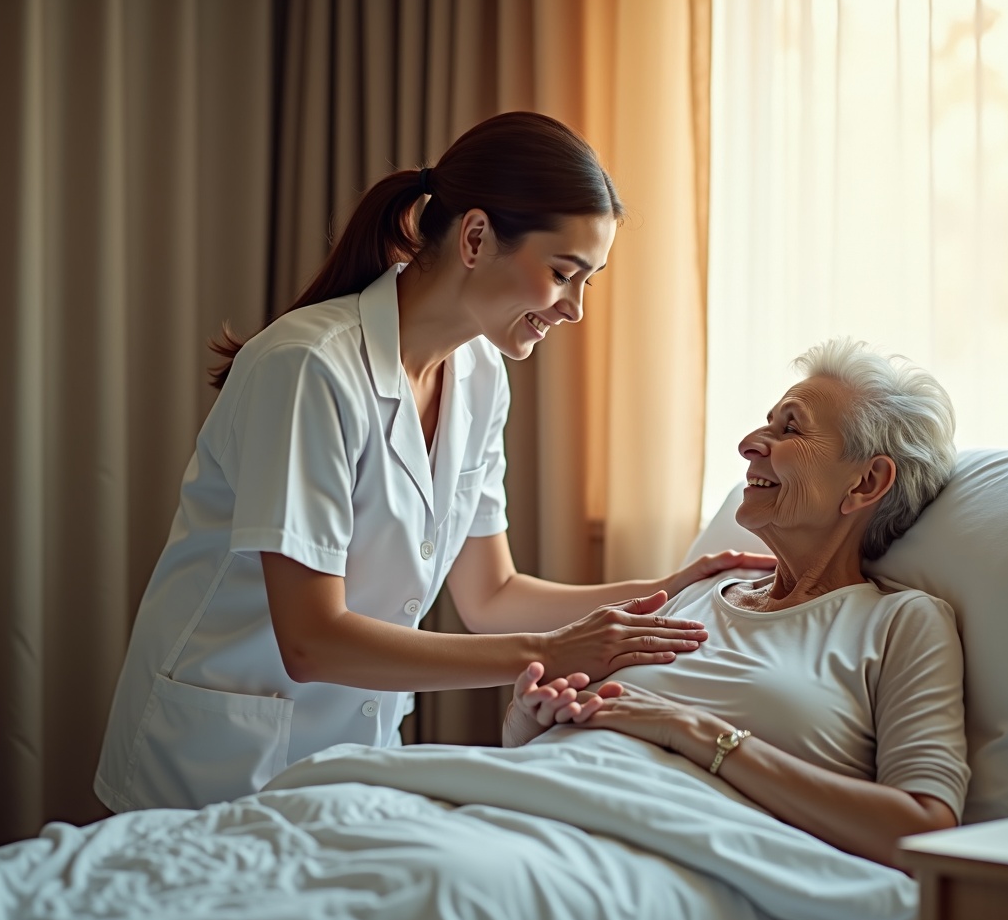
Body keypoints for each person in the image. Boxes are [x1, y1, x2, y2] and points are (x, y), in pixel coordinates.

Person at [95, 112, 771, 813]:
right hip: (215, 761)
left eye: (587, 283)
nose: (572, 309)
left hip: (345, 759)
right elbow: (311, 639)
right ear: (476, 237)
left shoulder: (479, 377)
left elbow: (492, 596)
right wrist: (553, 649)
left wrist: (667, 589)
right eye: (563, 274)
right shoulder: (308, 369)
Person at [505, 339, 969, 870]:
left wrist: (694, 732)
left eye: (790, 428)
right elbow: (538, 745)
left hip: (654, 857)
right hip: (526, 806)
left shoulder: (900, 624)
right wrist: (530, 719)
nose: (749, 444)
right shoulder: (699, 594)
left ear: (866, 482)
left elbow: (923, 829)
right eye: (765, 424)